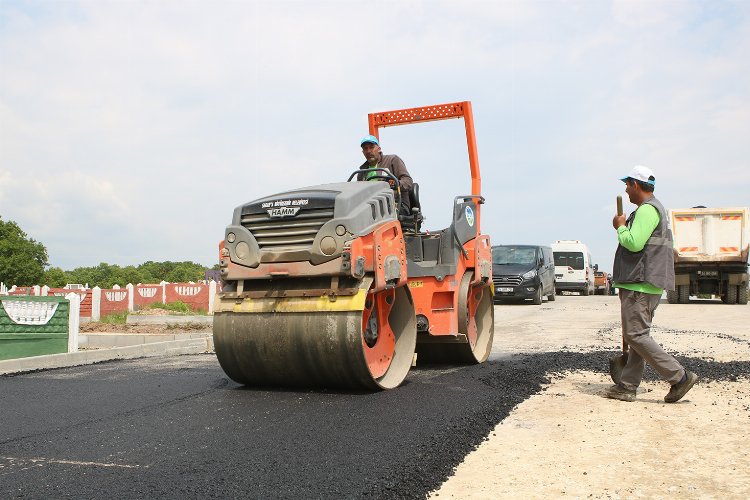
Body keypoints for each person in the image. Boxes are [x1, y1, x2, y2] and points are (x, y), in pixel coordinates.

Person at [605, 165, 698, 403]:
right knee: (638, 338)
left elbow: (634, 243)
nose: (626, 190)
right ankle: (627, 386)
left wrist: (621, 227)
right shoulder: (654, 209)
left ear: (636, 185)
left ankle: (679, 377)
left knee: (636, 335)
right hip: (646, 284)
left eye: (627, 185)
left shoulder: (647, 211)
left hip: (640, 284)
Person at [357, 135, 413, 217]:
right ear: (363, 152)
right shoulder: (362, 172)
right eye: (365, 148)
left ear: (379, 149)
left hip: (396, 203)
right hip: (370, 207)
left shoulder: (392, 160)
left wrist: (394, 184)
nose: (368, 151)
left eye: (371, 147)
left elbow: (408, 181)